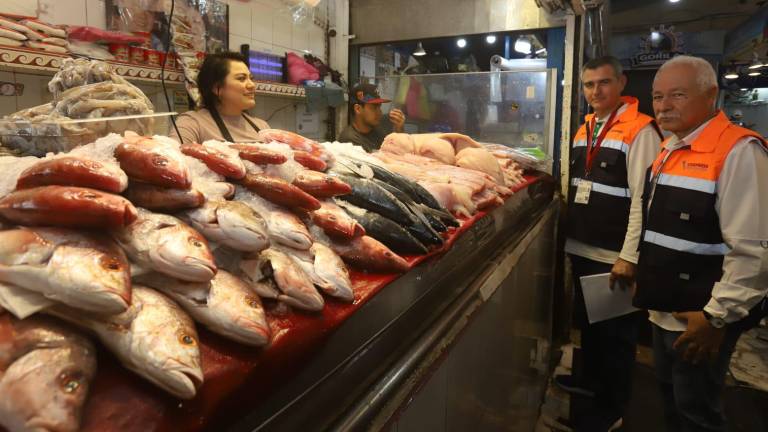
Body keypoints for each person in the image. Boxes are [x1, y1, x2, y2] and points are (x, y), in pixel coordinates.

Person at [635, 55, 768, 432]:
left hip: (700, 317)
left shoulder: (740, 152)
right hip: (664, 308)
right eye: (658, 96)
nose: (663, 105)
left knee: (697, 412)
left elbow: (755, 250)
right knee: (672, 402)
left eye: (677, 95)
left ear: (711, 95)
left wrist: (717, 317)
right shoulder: (670, 147)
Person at [559, 56, 662, 431]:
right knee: (589, 327)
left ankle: (612, 408)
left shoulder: (641, 130)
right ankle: (590, 384)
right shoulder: (586, 126)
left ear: (621, 83)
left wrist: (629, 256)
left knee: (616, 335)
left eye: (603, 83)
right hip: (583, 246)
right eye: (588, 85)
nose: (595, 92)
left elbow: (642, 200)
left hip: (613, 255)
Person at [171, 52, 269, 144]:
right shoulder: (192, 123)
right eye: (241, 78)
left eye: (251, 78)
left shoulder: (262, 127)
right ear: (216, 87)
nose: (252, 85)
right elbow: (170, 156)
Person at [337, 83, 406, 152]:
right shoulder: (349, 140)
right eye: (374, 107)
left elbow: (397, 151)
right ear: (358, 109)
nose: (380, 112)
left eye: (379, 107)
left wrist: (399, 130)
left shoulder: (376, 129)